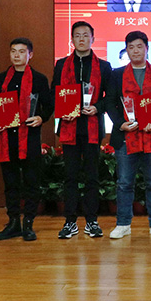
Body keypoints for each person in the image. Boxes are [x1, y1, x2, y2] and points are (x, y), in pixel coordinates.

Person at [106, 30, 151, 239]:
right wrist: (121, 124)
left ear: (147, 49)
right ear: (126, 50)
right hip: (126, 136)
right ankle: (123, 223)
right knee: (124, 182)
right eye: (131, 47)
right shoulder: (117, 74)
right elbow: (110, 102)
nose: (135, 51)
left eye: (139, 46)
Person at [0, 38, 53, 241]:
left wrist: (41, 117)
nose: (17, 55)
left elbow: (49, 105)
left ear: (30, 55)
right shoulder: (1, 79)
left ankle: (28, 223)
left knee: (32, 182)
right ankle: (13, 222)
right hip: (7, 139)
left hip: (30, 137)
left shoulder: (39, 79)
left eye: (22, 51)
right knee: (11, 183)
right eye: (13, 51)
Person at [52, 21, 112, 239]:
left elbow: (110, 98)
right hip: (69, 128)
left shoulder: (104, 66)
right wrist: (62, 110)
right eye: (77, 35)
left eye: (86, 35)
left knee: (92, 177)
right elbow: (54, 92)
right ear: (72, 40)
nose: (81, 39)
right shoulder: (61, 65)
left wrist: (97, 108)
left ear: (93, 39)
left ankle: (92, 221)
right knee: (70, 176)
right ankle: (70, 221)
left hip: (92, 128)